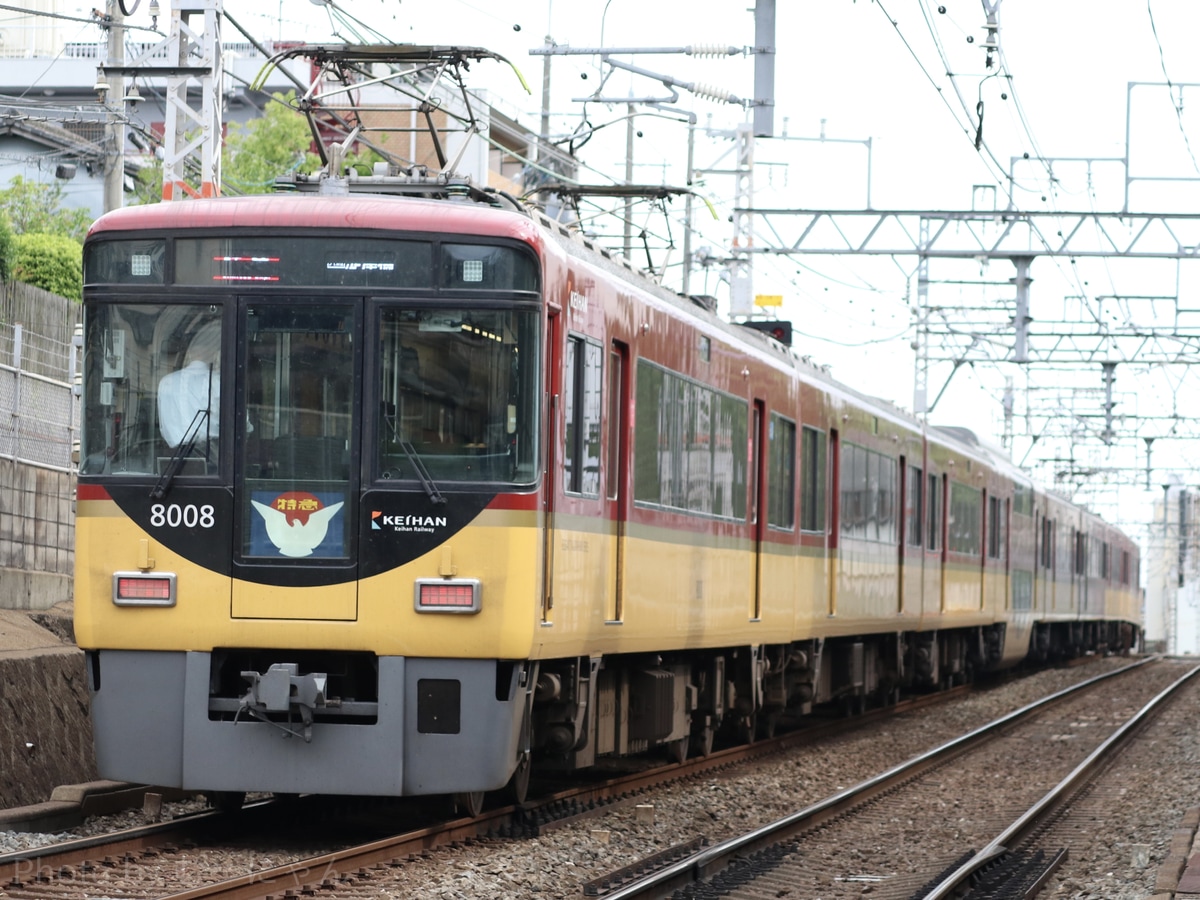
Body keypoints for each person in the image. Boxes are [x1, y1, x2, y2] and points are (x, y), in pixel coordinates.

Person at [158, 321, 220, 448]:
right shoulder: (217, 381)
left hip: (174, 455)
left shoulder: (166, 382)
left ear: (189, 353)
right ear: (214, 354)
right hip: (212, 452)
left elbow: (164, 427)